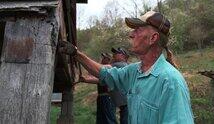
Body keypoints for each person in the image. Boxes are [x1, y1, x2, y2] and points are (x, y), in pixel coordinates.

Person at [59, 11, 194, 123]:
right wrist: (76, 53)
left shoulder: (171, 82)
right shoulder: (135, 71)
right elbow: (105, 73)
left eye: (138, 30)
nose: (131, 34)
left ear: (153, 38)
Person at [81, 53, 117, 124]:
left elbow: (99, 80)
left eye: (104, 58)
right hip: (101, 96)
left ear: (108, 59)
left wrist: (86, 79)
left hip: (107, 97)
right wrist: (85, 79)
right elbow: (98, 79)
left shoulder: (109, 68)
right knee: (101, 119)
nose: (102, 59)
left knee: (109, 119)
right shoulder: (103, 69)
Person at [109, 47, 129, 124]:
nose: (114, 54)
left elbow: (102, 69)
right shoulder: (125, 65)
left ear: (123, 56)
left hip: (125, 101)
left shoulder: (119, 65)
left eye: (117, 53)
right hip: (125, 101)